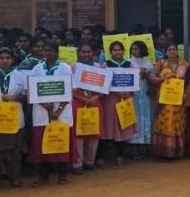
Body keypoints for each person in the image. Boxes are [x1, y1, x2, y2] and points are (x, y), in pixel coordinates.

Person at [29, 41, 73, 185]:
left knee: (60, 142)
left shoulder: (65, 68)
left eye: (51, 50)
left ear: (57, 52)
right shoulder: (37, 68)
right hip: (41, 112)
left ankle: (62, 175)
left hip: (62, 112)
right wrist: (45, 105)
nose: (47, 53)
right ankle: (43, 176)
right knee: (42, 144)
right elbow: (31, 90)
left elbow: (69, 90)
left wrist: (58, 110)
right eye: (45, 50)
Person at [0, 47, 25, 188]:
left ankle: (15, 177)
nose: (4, 60)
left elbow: (27, 96)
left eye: (8, 58)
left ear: (12, 60)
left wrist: (15, 97)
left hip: (14, 118)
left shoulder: (19, 75)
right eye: (2, 58)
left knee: (15, 150)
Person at [70, 43, 104, 174]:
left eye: (88, 52)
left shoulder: (99, 67)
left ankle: (90, 161)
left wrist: (97, 96)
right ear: (79, 53)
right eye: (83, 52)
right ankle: (77, 163)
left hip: (94, 102)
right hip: (78, 102)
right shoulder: (72, 67)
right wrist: (81, 98)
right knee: (78, 134)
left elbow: (105, 87)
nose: (86, 54)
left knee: (93, 133)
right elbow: (68, 86)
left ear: (92, 53)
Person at [101, 41, 136, 166]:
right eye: (114, 50)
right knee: (108, 126)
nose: (117, 52)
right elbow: (103, 83)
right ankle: (102, 156)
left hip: (124, 99)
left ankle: (119, 155)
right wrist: (114, 90)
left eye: (119, 50)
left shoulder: (129, 64)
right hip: (110, 99)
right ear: (111, 52)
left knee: (122, 126)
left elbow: (133, 82)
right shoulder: (106, 65)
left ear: (123, 51)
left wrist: (127, 92)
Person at [152, 43, 189, 159]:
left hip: (179, 99)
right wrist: (165, 78)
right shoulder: (161, 63)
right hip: (164, 100)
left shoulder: (184, 64)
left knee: (178, 123)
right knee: (165, 123)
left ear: (177, 51)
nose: (172, 51)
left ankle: (177, 151)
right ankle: (164, 152)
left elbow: (188, 81)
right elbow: (152, 78)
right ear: (166, 52)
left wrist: (186, 94)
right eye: (169, 49)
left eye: (174, 49)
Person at [127, 40, 156, 159]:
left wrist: (146, 75)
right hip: (133, 94)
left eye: (136, 49)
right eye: (132, 49)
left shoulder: (148, 64)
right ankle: (133, 145)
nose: (134, 51)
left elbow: (153, 79)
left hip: (144, 93)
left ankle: (144, 144)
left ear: (142, 50)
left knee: (145, 116)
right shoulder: (128, 63)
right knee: (134, 117)